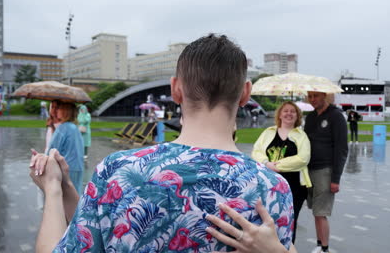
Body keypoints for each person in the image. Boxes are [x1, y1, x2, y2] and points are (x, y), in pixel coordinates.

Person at [29, 34, 294, 253]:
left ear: (176, 89)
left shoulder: (116, 171)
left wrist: (53, 188)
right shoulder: (274, 190)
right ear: (246, 93)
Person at [252, 101, 311, 243]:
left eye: (293, 111)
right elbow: (256, 152)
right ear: (280, 114)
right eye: (286, 111)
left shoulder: (301, 135)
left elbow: (303, 158)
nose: (289, 114)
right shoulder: (268, 132)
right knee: (268, 219)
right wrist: (267, 164)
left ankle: (288, 248)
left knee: (290, 221)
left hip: (295, 186)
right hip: (269, 185)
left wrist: (277, 165)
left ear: (297, 116)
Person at [303, 91, 348, 253]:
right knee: (316, 211)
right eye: (310, 96)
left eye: (316, 96)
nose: (313, 100)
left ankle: (325, 248)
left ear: (324, 96)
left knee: (321, 212)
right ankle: (319, 244)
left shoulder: (336, 116)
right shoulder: (310, 117)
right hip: (309, 170)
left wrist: (336, 179)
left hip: (325, 171)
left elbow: (342, 149)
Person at [33, 100, 84, 193]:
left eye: (59, 109)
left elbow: (51, 151)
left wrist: (39, 158)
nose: (56, 111)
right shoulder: (74, 127)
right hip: (78, 167)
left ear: (65, 111)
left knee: (63, 198)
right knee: (75, 195)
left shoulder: (63, 128)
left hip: (66, 169)